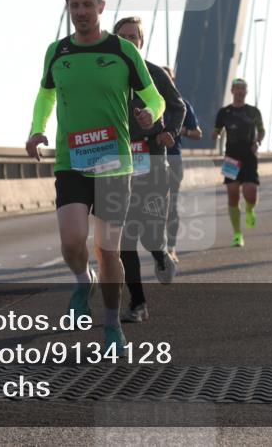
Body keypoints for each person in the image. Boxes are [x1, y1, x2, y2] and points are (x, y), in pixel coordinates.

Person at [27, 0, 164, 350]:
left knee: (108, 249)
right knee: (72, 241)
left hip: (114, 164)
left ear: (101, 7)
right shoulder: (57, 52)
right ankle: (80, 280)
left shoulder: (123, 51)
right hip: (71, 160)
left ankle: (110, 325)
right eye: (74, 6)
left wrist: (151, 114)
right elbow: (45, 96)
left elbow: (154, 97)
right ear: (68, 8)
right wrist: (37, 129)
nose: (81, 12)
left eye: (88, 5)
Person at [113, 18, 185, 324]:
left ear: (142, 41)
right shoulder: (108, 75)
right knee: (126, 237)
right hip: (118, 164)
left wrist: (170, 131)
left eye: (134, 37)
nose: (129, 42)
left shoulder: (154, 73)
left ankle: (160, 253)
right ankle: (138, 303)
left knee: (150, 233)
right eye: (123, 37)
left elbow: (178, 106)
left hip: (153, 161)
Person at [212, 78, 265, 247]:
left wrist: (258, 141)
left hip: (249, 157)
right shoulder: (224, 112)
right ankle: (237, 234)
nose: (240, 92)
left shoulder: (253, 111)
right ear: (232, 91)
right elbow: (217, 130)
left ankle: (250, 209)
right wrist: (215, 135)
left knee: (250, 194)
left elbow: (262, 130)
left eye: (243, 89)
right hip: (231, 158)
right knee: (233, 194)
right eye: (237, 88)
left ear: (246, 92)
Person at [159, 65, 202, 264]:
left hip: (173, 159)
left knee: (171, 205)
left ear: (172, 82)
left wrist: (181, 131)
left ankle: (171, 247)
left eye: (167, 79)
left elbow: (198, 133)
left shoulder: (182, 105)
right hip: (148, 160)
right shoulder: (145, 103)